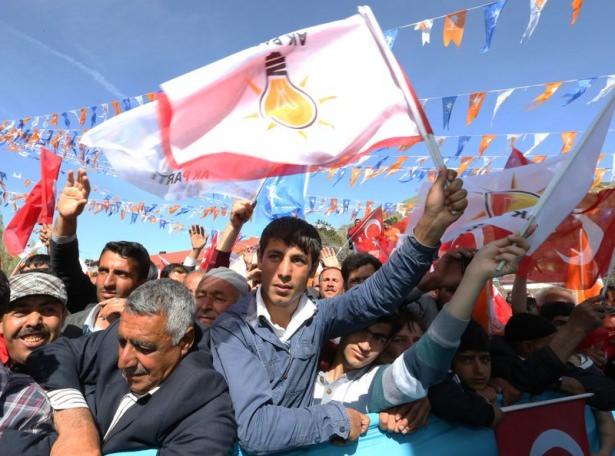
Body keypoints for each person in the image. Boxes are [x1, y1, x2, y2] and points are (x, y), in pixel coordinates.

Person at [211, 169, 468, 454]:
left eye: (298, 260)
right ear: (260, 259)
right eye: (275, 256)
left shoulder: (319, 316)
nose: (284, 271)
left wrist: (431, 224)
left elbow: (379, 293)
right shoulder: (230, 329)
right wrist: (337, 419)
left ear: (313, 269)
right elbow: (256, 429)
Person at [315, 236, 528, 422]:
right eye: (361, 331)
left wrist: (475, 276)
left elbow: (430, 354)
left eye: (379, 338)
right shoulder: (308, 356)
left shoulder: (372, 385)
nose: (366, 345)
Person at [19, 279, 236, 455]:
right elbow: (48, 355)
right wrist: (75, 423)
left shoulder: (204, 405)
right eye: (122, 342)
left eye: (145, 348)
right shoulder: (130, 332)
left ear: (185, 341)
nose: (123, 361)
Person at [51, 170, 151, 336]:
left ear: (141, 282)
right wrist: (66, 219)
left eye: (121, 274)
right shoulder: (73, 322)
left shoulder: (151, 329)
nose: (108, 282)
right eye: (103, 271)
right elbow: (65, 266)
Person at [429, 321, 502, 427]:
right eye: (467, 360)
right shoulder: (434, 388)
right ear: (449, 363)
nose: (479, 370)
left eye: (485, 359)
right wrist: (490, 414)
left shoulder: (501, 386)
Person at [1, 272, 68, 368]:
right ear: (1, 321)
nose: (34, 322)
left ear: (63, 317)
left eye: (48, 310)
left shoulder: (81, 363)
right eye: (21, 311)